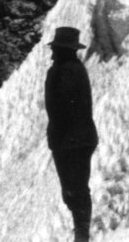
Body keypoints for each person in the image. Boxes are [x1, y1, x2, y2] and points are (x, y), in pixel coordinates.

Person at [45, 26, 99, 242]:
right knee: (75, 190)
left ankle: (82, 235)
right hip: (78, 139)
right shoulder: (73, 68)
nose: (53, 52)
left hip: (70, 141)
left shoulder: (64, 71)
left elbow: (65, 109)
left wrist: (58, 137)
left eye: (56, 48)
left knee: (74, 191)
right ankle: (81, 232)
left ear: (63, 50)